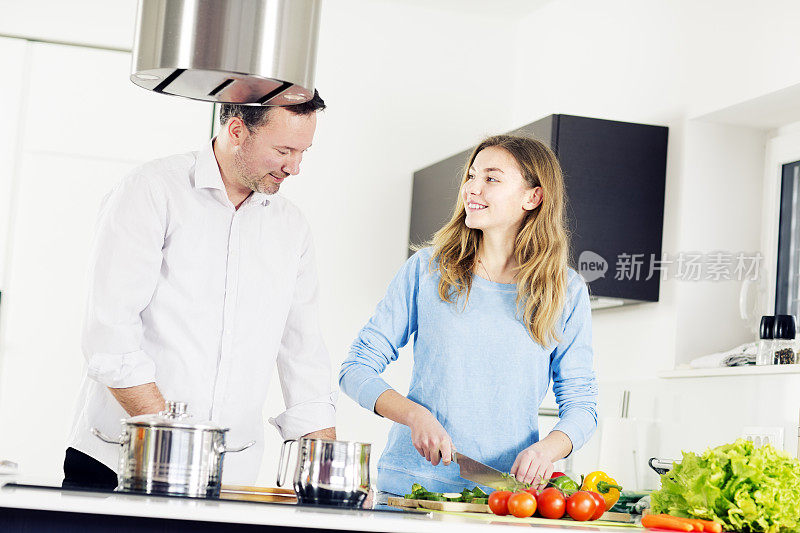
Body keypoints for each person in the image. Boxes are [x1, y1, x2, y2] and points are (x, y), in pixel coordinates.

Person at [64, 92, 337, 490]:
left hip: (227, 476)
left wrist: (327, 472)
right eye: (284, 150)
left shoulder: (291, 228)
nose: (295, 167)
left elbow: (304, 352)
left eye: (303, 152)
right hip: (118, 462)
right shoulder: (152, 190)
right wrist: (173, 442)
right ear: (237, 130)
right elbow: (110, 334)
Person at [339, 135, 598, 504]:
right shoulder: (427, 271)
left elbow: (582, 405)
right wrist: (415, 416)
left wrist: (546, 451)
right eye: (471, 176)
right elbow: (355, 368)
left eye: (491, 179)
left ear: (532, 197)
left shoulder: (565, 290)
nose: (472, 189)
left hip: (503, 499)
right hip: (410, 493)